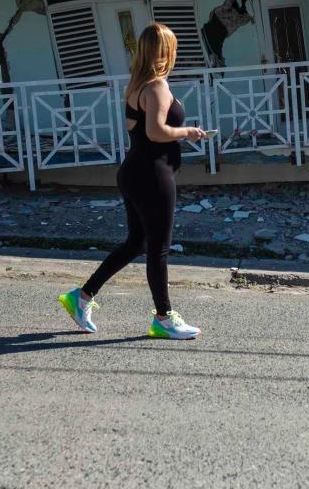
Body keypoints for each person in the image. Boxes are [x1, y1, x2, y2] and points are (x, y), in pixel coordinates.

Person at [58, 23, 207, 339]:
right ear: (166, 51)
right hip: (152, 174)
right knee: (159, 248)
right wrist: (188, 131)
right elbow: (155, 132)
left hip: (134, 171)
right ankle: (164, 319)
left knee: (137, 243)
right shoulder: (156, 87)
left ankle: (81, 297)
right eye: (174, 48)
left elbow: (142, 132)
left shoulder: (136, 85)